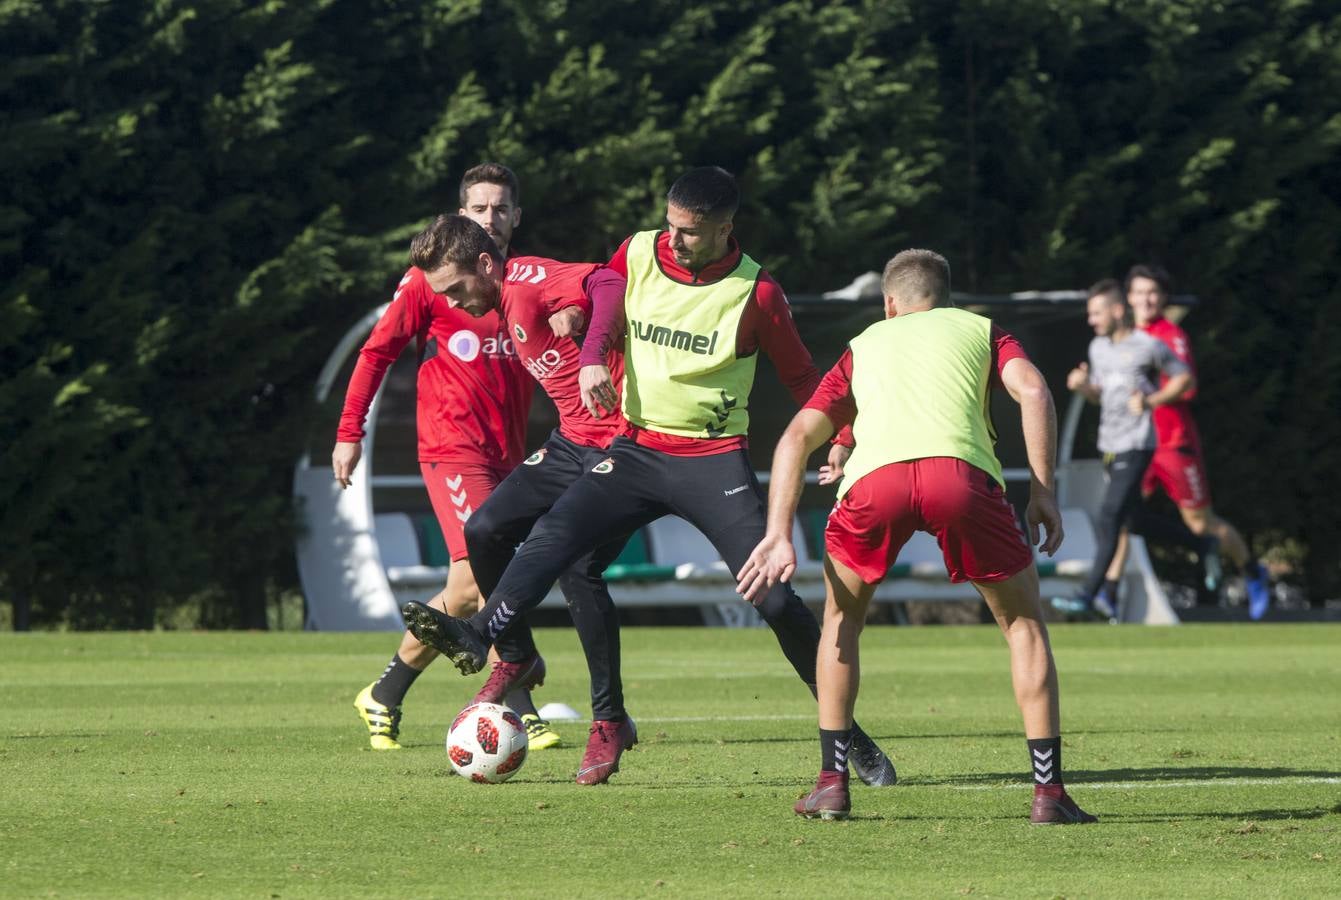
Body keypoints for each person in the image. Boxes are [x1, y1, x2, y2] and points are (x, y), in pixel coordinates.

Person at [399, 166, 897, 788]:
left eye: (689, 232)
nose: (674, 239)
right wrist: (585, 338)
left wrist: (843, 437)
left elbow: (803, 379)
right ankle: (485, 639)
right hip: (634, 450)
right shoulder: (638, 251)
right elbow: (604, 290)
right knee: (554, 538)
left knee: (774, 601)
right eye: (670, 225)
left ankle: (848, 736)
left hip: (712, 458)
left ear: (724, 229)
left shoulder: (756, 292)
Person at [737, 249, 1096, 824]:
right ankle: (1048, 795)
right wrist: (1044, 492)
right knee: (1024, 625)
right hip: (962, 478)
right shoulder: (984, 331)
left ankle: (831, 784)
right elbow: (1033, 392)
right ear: (947, 299)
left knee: (840, 622)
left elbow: (795, 437)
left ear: (890, 303)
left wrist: (779, 532)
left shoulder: (865, 344)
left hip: (874, 485)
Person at [338, 163, 561, 751]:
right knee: (482, 576)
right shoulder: (427, 282)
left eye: (500, 209)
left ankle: (384, 692)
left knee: (463, 591)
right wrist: (348, 430)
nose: (490, 218)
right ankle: (520, 702)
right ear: (463, 215)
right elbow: (375, 353)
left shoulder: (523, 281)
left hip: (509, 455)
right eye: (479, 209)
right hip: (451, 450)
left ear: (516, 216)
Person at [401, 213, 634, 770]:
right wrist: (574, 318)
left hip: (622, 448)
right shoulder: (506, 301)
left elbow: (609, 283)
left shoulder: (526, 280)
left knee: (580, 570)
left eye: (457, 288)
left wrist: (595, 349)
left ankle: (609, 721)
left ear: (486, 265)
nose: (455, 303)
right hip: (571, 442)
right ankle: (517, 657)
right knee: (483, 529)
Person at [1119, 264, 1270, 619]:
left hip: (1173, 441)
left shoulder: (1169, 335)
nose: (1146, 299)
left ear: (1163, 298)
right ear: (1128, 298)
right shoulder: (1122, 337)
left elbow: (1185, 383)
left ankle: (1251, 570)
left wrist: (1150, 401)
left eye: (1152, 292)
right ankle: (1106, 595)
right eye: (1139, 292)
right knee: (1122, 516)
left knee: (1200, 521)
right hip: (1135, 442)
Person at [1048, 280, 1191, 622]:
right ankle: (1204, 545)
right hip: (1109, 446)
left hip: (1138, 443)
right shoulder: (1098, 348)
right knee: (1133, 520)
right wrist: (1084, 388)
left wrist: (1152, 401)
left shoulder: (1148, 346)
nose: (1091, 320)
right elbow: (1101, 395)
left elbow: (1183, 377)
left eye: (1096, 313)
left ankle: (1089, 594)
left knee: (1108, 516)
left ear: (1116, 310)